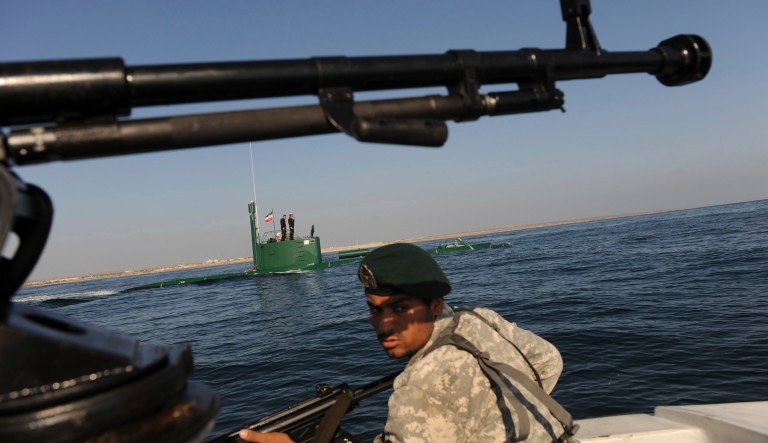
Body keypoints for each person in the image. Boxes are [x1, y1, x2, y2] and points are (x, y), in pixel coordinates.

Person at [239, 243, 577, 443]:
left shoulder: (418, 388)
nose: (384, 325)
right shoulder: (480, 319)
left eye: (400, 308)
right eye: (375, 310)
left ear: (435, 305)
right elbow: (550, 361)